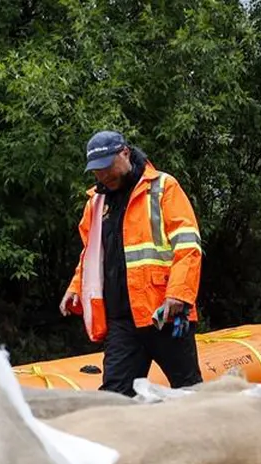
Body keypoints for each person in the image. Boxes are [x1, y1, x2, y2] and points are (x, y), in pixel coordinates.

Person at [60, 130, 204, 395]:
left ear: (125, 153)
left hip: (164, 315)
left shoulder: (163, 187)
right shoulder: (96, 203)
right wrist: (75, 288)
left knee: (189, 392)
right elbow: (91, 255)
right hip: (123, 321)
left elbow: (188, 247)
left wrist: (178, 296)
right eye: (97, 171)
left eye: (107, 167)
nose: (103, 176)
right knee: (114, 396)